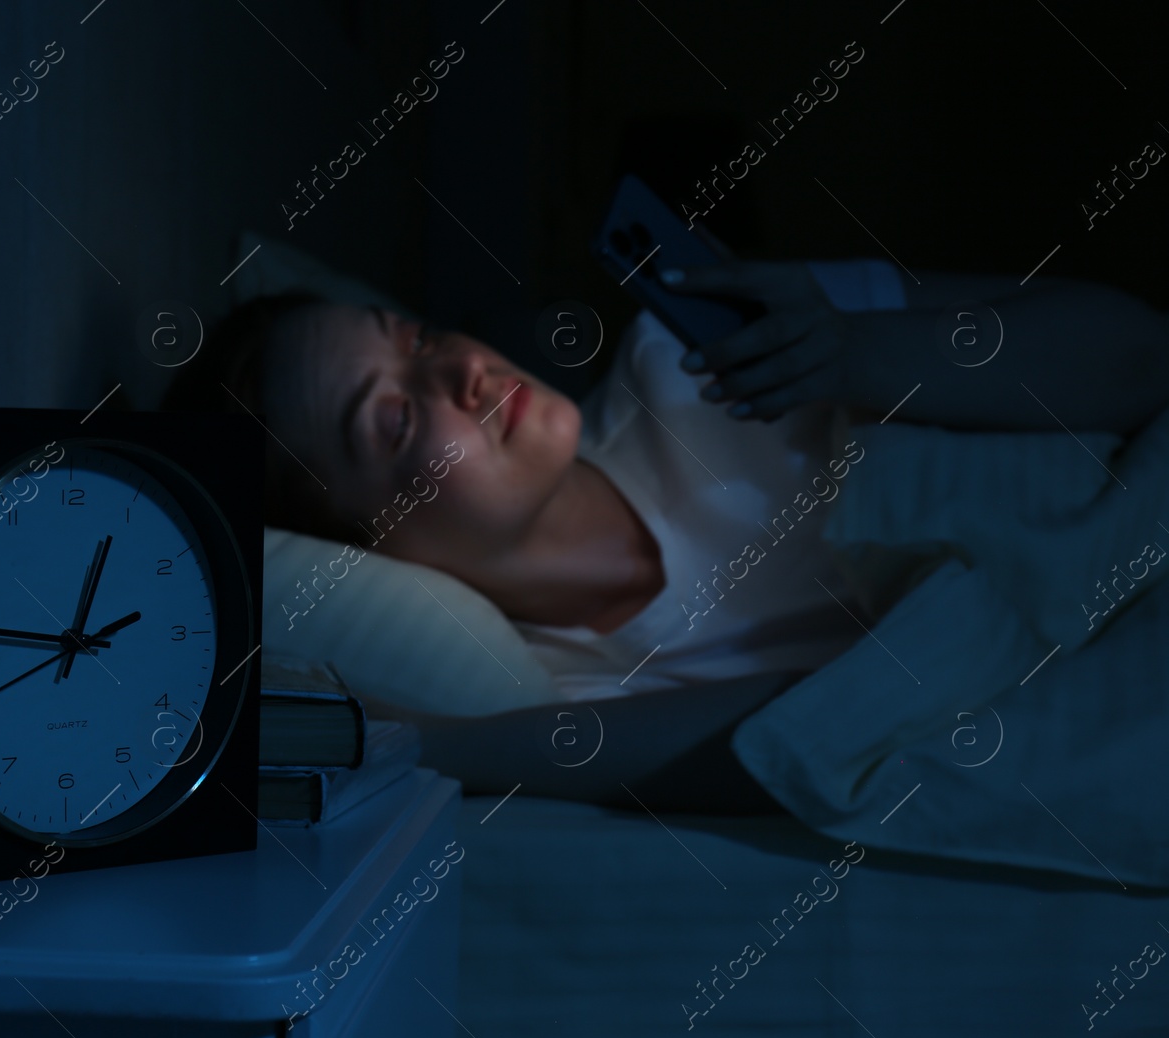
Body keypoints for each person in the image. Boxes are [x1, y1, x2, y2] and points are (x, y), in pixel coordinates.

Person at [160, 261, 1169, 811]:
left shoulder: (693, 356)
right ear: (364, 543)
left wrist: (864, 351)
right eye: (393, 418)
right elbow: (797, 735)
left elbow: (1135, 355)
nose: (462, 371)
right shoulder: (563, 697)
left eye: (418, 340)